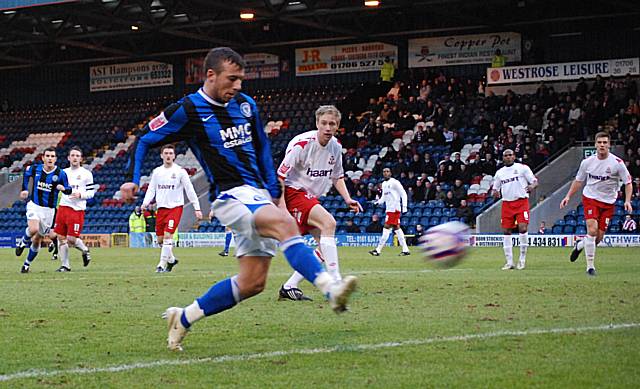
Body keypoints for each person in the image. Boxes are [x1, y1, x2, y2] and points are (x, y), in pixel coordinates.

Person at [120, 47, 357, 351]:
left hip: (257, 194)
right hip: (230, 195)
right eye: (232, 79)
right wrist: (132, 177)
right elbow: (145, 140)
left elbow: (261, 149)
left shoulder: (246, 105)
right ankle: (331, 289)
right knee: (285, 224)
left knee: (252, 283)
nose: (238, 86)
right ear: (211, 75)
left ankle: (184, 317)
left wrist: (274, 191)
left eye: (241, 79)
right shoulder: (188, 109)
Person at [276, 105, 362, 301]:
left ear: (338, 126)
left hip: (310, 196)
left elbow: (337, 175)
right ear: (317, 124)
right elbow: (280, 176)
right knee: (329, 223)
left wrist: (347, 198)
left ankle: (289, 286)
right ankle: (335, 282)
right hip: (292, 192)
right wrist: (281, 207)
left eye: (332, 124)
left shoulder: (336, 147)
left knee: (324, 245)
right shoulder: (302, 144)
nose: (328, 127)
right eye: (324, 123)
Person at [561, 132, 633, 276]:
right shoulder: (587, 162)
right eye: (599, 142)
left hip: (608, 202)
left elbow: (628, 183)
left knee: (598, 239)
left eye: (605, 143)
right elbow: (579, 181)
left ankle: (580, 245)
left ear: (609, 145)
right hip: (591, 198)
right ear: (595, 145)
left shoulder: (617, 163)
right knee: (592, 230)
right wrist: (568, 196)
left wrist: (627, 200)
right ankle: (590, 267)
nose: (602, 145)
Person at [141, 144, 202, 273]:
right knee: (160, 240)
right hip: (161, 209)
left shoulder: (180, 171)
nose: (168, 156)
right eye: (166, 153)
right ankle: (172, 260)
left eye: (170, 153)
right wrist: (145, 203)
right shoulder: (157, 172)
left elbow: (190, 190)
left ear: (174, 156)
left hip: (175, 208)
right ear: (161, 155)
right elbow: (151, 189)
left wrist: (197, 208)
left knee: (168, 236)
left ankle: (161, 265)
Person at [16, 147, 72, 273]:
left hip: (49, 211)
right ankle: (23, 242)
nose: (50, 158)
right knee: (33, 229)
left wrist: (64, 189)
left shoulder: (61, 173)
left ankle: (26, 265)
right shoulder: (35, 168)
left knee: (37, 240)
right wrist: (24, 189)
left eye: (52, 156)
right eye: (47, 156)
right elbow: (26, 172)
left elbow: (69, 190)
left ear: (55, 159)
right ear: (43, 158)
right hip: (34, 205)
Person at [491, 149, 538, 270]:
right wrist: (495, 192)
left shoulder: (522, 168)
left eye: (510, 155)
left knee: (523, 228)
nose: (508, 157)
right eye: (505, 156)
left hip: (521, 202)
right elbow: (495, 188)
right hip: (507, 203)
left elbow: (534, 181)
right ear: (503, 158)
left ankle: (522, 259)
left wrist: (532, 186)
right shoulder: (500, 173)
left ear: (514, 156)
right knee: (506, 231)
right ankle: (509, 262)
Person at [51, 146, 95, 272]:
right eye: (73, 155)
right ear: (68, 158)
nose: (75, 158)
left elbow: (91, 193)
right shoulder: (63, 173)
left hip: (77, 209)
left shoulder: (86, 174)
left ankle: (85, 250)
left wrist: (80, 195)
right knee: (60, 237)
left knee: (71, 239)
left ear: (81, 158)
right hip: (63, 207)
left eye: (77, 155)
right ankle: (65, 265)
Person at [369, 168, 410, 256]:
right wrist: (377, 203)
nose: (385, 173)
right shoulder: (384, 184)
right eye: (384, 171)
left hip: (394, 209)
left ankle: (378, 250)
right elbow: (384, 197)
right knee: (397, 228)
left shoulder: (395, 182)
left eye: (387, 171)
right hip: (389, 209)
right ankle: (405, 250)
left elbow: (403, 194)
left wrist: (404, 207)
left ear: (390, 173)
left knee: (386, 227)